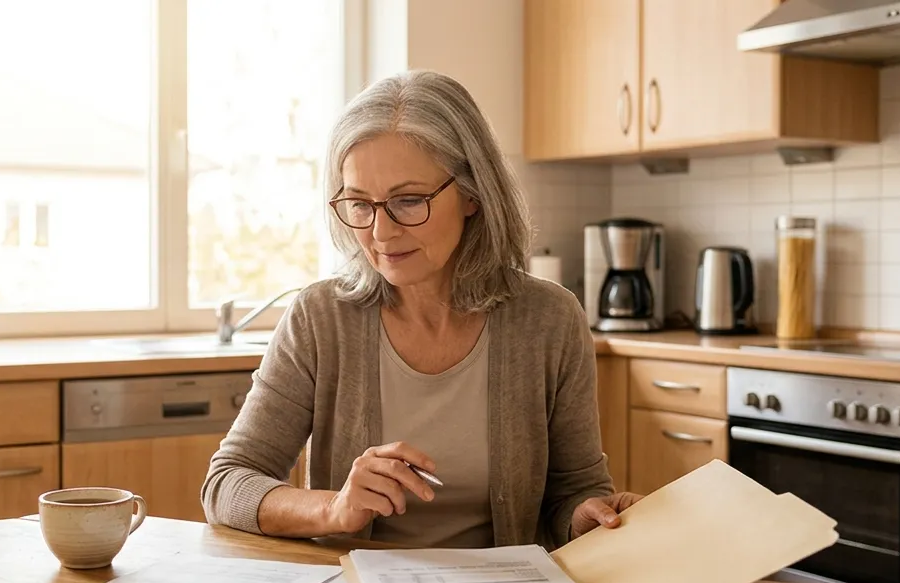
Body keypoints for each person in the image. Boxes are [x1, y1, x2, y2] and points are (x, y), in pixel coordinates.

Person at [200, 70, 640, 550]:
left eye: (409, 201)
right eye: (359, 204)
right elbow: (227, 484)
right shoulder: (320, 319)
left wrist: (587, 518)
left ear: (473, 193)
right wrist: (334, 507)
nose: (381, 233)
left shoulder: (549, 319)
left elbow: (575, 491)